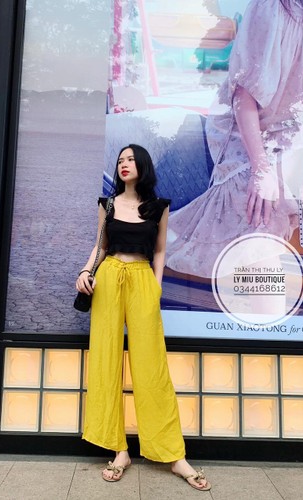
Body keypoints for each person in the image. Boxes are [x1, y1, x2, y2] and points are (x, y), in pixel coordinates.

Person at [75, 144, 211, 491]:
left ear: (143, 165)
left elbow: (161, 250)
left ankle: (173, 455)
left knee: (151, 367)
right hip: (109, 279)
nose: (124, 164)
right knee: (105, 362)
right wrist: (86, 270)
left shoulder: (158, 207)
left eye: (131, 159)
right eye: (120, 160)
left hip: (142, 279)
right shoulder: (107, 204)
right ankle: (119, 450)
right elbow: (101, 246)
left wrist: (156, 288)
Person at [166, 0, 303, 279]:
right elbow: (244, 95)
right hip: (249, 134)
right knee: (262, 213)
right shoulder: (273, 7)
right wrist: (261, 169)